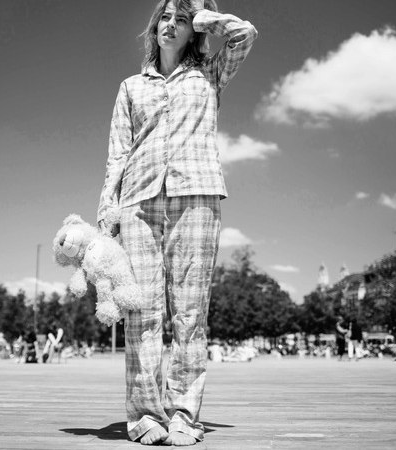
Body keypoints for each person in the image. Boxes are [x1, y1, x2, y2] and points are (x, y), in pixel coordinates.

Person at [96, 0, 256, 445]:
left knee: (190, 313)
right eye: (165, 17)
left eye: (180, 19)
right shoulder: (130, 87)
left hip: (198, 194)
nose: (170, 24)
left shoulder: (210, 72)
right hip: (138, 202)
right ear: (154, 27)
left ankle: (184, 413)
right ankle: (146, 415)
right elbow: (117, 155)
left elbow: (244, 34)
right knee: (141, 312)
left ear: (193, 31)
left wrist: (207, 18)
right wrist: (107, 210)